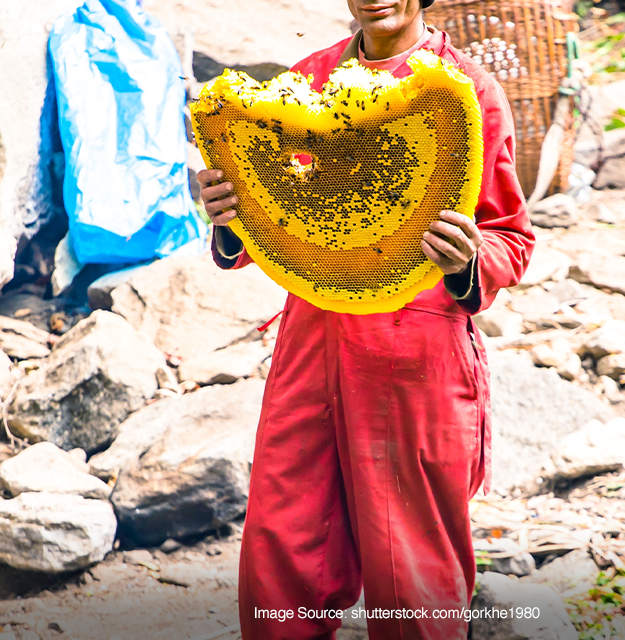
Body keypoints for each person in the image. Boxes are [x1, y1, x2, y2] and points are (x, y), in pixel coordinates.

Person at [197, 1, 534, 637]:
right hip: (310, 340)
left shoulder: (467, 93)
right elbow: (277, 212)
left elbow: (510, 238)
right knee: (282, 552)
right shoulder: (306, 82)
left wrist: (467, 261)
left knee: (410, 572)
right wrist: (230, 218)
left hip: (415, 350)